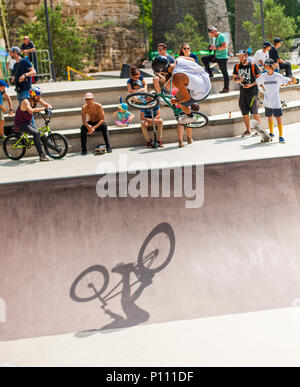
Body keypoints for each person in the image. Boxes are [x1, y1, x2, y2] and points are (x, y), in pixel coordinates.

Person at [152, 55, 211, 125]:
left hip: (203, 92)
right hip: (205, 79)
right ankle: (186, 99)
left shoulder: (176, 78)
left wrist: (177, 101)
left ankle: (191, 116)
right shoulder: (180, 59)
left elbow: (187, 97)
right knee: (169, 86)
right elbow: (193, 60)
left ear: (163, 71)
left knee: (182, 103)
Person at [256, 58, 297, 143]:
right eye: (265, 66)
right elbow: (257, 82)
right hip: (267, 101)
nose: (266, 67)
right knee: (269, 118)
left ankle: (281, 136)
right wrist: (263, 88)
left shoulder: (277, 76)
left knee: (278, 119)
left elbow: (288, 81)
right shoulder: (263, 76)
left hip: (276, 102)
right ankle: (271, 133)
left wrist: (281, 85)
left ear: (272, 66)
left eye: (267, 66)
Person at [14, 87, 53, 162]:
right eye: (37, 96)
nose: (39, 97)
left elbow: (46, 104)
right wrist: (43, 109)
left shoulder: (37, 99)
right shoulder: (26, 101)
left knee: (43, 135)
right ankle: (41, 156)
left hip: (27, 123)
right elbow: (31, 110)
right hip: (20, 124)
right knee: (36, 133)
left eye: (40, 95)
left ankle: (59, 150)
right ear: (32, 96)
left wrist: (49, 107)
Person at [233, 50, 262, 137]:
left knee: (254, 112)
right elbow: (234, 79)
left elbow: (259, 79)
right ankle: (248, 130)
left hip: (252, 91)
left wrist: (251, 85)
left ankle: (259, 130)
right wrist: (239, 80)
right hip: (243, 92)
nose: (241, 58)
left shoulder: (252, 65)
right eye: (239, 56)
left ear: (245, 56)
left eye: (242, 56)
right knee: (244, 112)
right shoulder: (237, 66)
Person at [202, 26, 229, 93]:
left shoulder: (221, 36)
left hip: (222, 58)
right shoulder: (217, 37)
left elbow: (225, 46)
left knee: (224, 73)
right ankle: (210, 73)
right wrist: (212, 48)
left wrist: (215, 48)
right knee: (204, 59)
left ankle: (226, 88)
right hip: (217, 56)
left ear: (213, 32)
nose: (211, 36)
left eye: (211, 35)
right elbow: (217, 47)